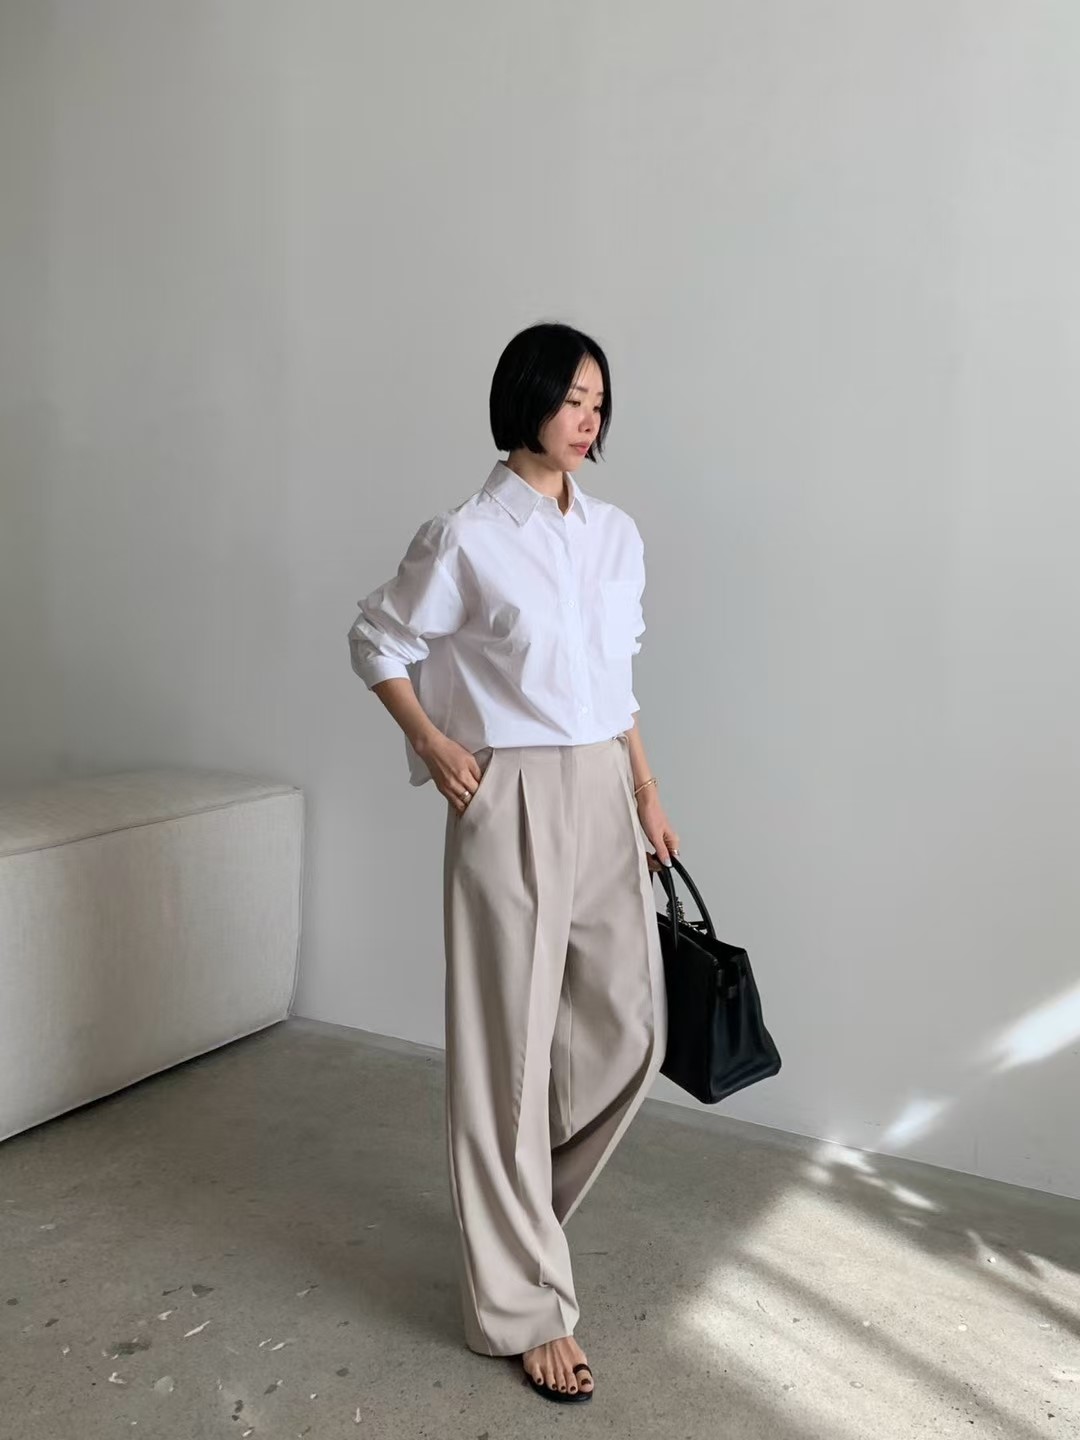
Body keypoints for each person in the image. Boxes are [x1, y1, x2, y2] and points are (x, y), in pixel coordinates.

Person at [348, 321, 679, 1405]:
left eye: (599, 402)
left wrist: (647, 791)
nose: (589, 418)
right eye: (572, 398)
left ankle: (514, 1220)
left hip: (604, 790)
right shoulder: (467, 537)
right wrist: (436, 744)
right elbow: (377, 639)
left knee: (630, 1032)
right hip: (512, 792)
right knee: (507, 1053)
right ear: (525, 399)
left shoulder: (616, 534)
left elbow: (617, 681)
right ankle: (528, 1305)